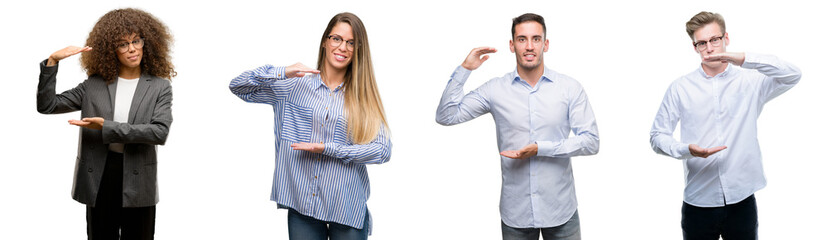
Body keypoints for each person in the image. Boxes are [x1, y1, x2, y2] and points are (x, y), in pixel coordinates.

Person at [436, 13, 599, 240]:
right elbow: (446, 115)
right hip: (516, 214)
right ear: (512, 45)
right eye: (522, 39)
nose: (529, 46)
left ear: (546, 44)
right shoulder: (495, 90)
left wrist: (540, 148)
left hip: (561, 210)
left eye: (536, 39)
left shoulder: (569, 88)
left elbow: (591, 141)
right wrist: (465, 69)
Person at [229, 12, 391, 240]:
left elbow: (383, 151)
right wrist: (282, 71)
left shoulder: (363, 96)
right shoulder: (293, 86)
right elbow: (238, 86)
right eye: (337, 39)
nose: (343, 47)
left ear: (358, 50)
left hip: (346, 206)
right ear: (325, 41)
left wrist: (329, 148)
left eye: (351, 42)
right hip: (302, 205)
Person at [649, 11, 801, 240]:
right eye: (701, 43)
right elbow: (657, 136)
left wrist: (741, 59)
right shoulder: (680, 88)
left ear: (725, 38)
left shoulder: (750, 81)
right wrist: (686, 149)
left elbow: (792, 74)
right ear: (695, 47)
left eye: (714, 40)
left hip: (742, 202)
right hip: (698, 202)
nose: (709, 48)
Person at [36, 8, 175, 240]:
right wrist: (52, 62)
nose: (132, 49)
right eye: (123, 44)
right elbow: (48, 106)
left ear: (147, 42)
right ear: (111, 49)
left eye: (136, 41)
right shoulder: (94, 85)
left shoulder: (159, 86)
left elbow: (159, 132)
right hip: (100, 175)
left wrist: (107, 127)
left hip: (139, 176)